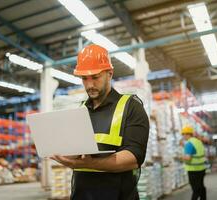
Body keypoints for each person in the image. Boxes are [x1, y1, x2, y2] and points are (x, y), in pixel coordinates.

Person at [51, 44, 149, 200]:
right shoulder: (80, 109)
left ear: (110, 74)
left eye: (95, 77)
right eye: (84, 78)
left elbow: (134, 158)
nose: (89, 85)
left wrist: (87, 164)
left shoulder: (131, 107)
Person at [181, 125, 206, 200]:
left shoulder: (189, 144)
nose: (183, 136)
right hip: (201, 169)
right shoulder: (198, 142)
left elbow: (188, 158)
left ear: (187, 134)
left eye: (183, 134)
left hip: (193, 170)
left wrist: (180, 157)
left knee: (195, 189)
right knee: (201, 187)